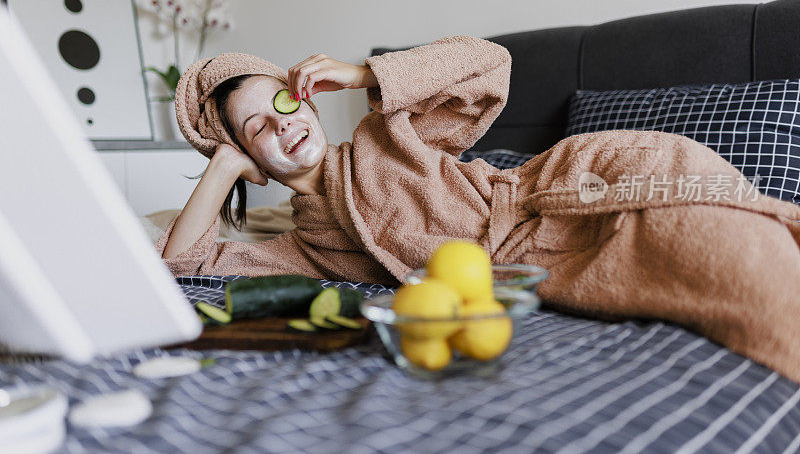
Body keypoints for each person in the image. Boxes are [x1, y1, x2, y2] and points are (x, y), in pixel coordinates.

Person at [156, 35, 800, 382]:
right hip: (540, 256)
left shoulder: (389, 133)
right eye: (257, 129)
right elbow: (186, 264)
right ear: (249, 159)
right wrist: (222, 167)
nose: (281, 127)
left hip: (568, 181)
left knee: (717, 223)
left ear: (311, 103)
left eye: (285, 105)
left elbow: (490, 66)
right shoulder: (305, 247)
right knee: (740, 271)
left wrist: (361, 74)